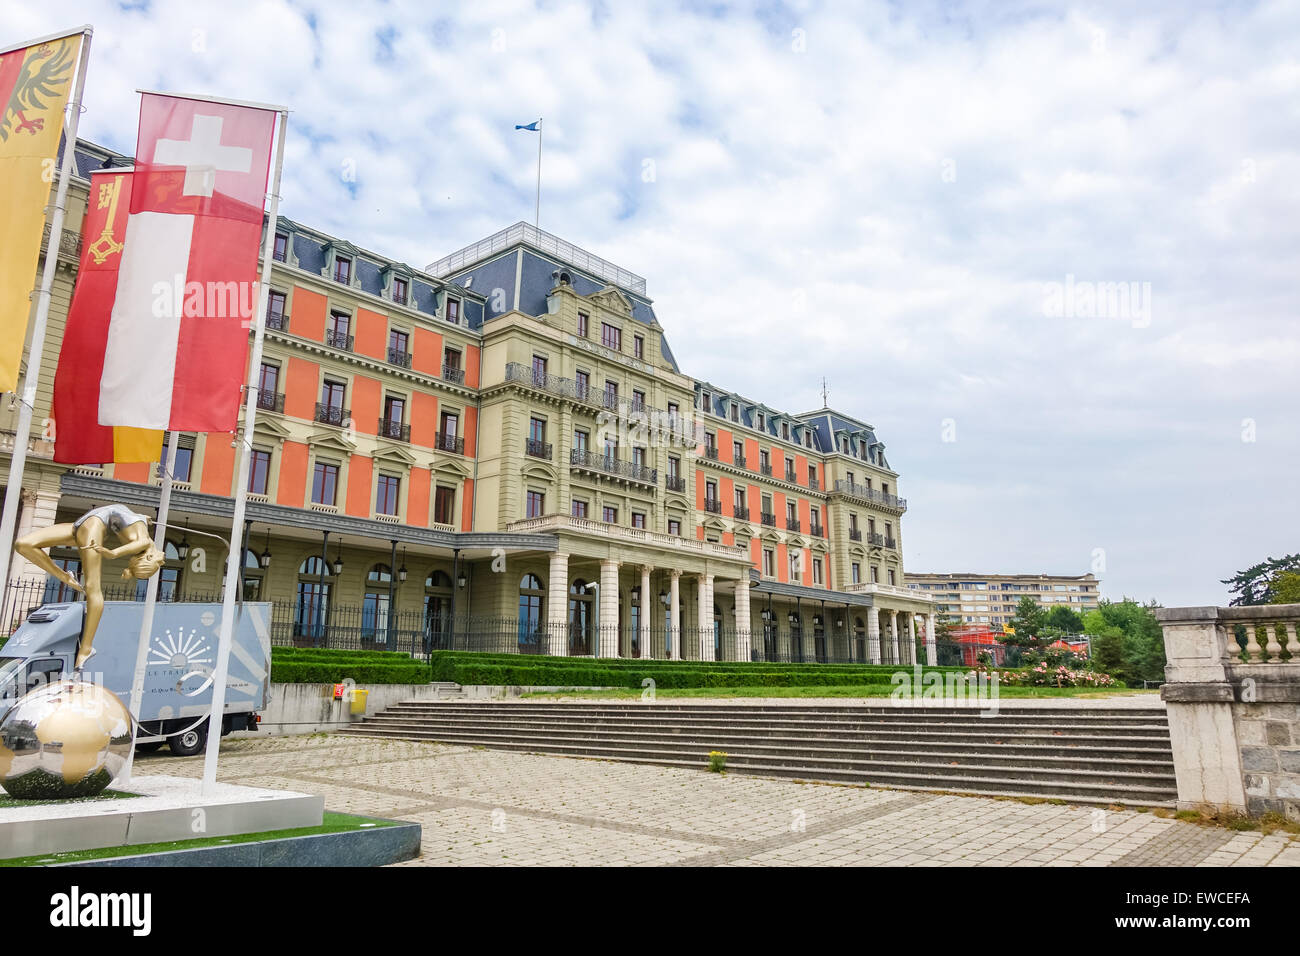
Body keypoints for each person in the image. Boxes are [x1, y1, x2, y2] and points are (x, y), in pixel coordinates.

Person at [14, 504, 165, 669]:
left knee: (93, 587)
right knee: (23, 544)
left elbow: (138, 538)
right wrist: (140, 520)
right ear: (148, 556)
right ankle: (65, 576)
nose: (133, 555)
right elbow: (138, 537)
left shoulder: (142, 536)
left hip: (92, 526)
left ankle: (86, 648)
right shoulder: (142, 535)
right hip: (83, 524)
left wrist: (114, 552)